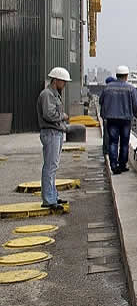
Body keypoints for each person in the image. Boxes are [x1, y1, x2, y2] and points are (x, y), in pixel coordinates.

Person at [37, 67, 71, 208]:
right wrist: (63, 116)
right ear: (56, 80)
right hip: (50, 133)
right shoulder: (47, 95)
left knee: (53, 166)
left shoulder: (54, 94)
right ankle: (48, 199)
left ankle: (53, 196)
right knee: (50, 166)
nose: (64, 85)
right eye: (63, 82)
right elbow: (49, 115)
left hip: (55, 133)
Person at [99, 65, 137, 174]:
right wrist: (134, 114)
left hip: (111, 119)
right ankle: (122, 164)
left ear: (116, 75)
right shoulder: (131, 89)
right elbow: (136, 104)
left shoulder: (107, 88)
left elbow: (101, 101)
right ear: (126, 76)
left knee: (113, 141)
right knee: (124, 142)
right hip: (126, 119)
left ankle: (114, 165)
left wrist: (105, 114)